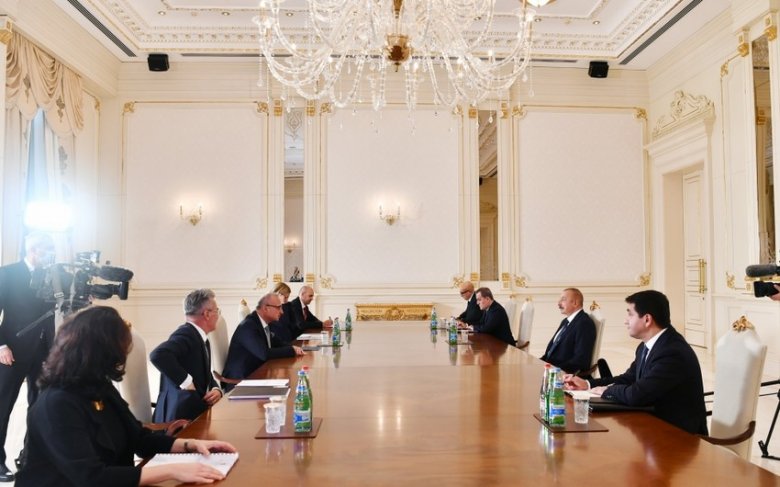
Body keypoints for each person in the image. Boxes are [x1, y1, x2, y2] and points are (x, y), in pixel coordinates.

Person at [15, 306, 236, 486]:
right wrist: (173, 470)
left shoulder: (99, 386)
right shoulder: (56, 404)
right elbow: (91, 478)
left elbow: (139, 440)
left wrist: (190, 445)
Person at [564, 290, 708, 435]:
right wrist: (588, 384)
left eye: (630, 314)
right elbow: (629, 378)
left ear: (647, 319)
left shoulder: (672, 352)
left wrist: (607, 390)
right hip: (653, 424)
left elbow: (637, 394)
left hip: (679, 435)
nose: (625, 321)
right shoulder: (646, 346)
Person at [0, 232, 56, 481]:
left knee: (39, 408)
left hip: (44, 352)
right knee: (3, 406)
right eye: (47, 249)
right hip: (11, 351)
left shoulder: (53, 276)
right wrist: (1, 346)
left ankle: (29, 457)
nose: (51, 254)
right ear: (33, 250)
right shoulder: (7, 274)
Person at [150, 289, 222, 422]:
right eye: (217, 311)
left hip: (196, 413)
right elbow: (158, 355)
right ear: (207, 314)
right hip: (180, 421)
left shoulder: (198, 335)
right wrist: (187, 382)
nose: (218, 315)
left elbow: (204, 372)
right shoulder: (186, 334)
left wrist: (216, 388)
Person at [222, 293, 304, 384]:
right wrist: (291, 350)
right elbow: (264, 354)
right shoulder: (249, 326)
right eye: (278, 307)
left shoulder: (262, 322)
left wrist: (294, 348)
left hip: (255, 374)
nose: (282, 312)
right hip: (240, 380)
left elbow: (276, 342)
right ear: (266, 308)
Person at [539, 288, 596, 374]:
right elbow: (551, 352)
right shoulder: (565, 321)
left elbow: (580, 360)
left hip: (561, 374)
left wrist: (553, 370)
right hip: (549, 369)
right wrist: (537, 363)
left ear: (575, 303)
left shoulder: (584, 323)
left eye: (563, 299)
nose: (559, 303)